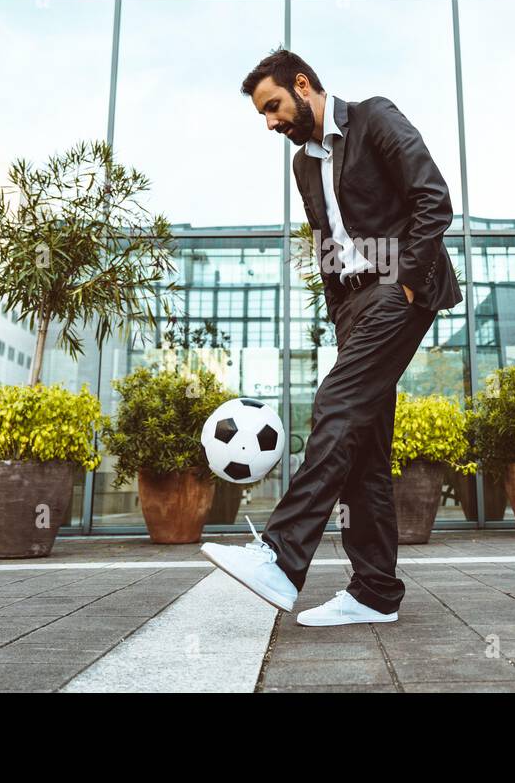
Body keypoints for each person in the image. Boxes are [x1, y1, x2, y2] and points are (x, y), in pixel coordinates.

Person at [200, 48, 463, 626]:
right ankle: (374, 592)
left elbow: (432, 199)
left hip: (400, 287)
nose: (270, 123)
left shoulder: (375, 118)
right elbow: (329, 240)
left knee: (335, 404)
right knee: (364, 446)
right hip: (354, 304)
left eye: (273, 107)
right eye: (263, 115)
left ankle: (280, 556)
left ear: (302, 85)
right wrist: (340, 309)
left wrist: (410, 286)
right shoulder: (303, 165)